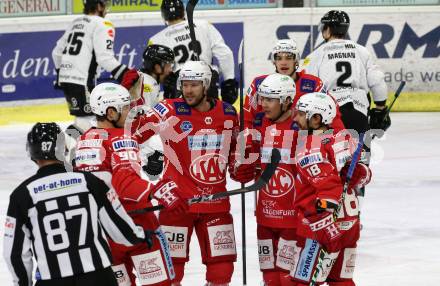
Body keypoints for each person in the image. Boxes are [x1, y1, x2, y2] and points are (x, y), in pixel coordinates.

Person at [131, 61, 239, 286]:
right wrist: (134, 101)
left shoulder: (229, 114)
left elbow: (234, 158)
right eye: (184, 85)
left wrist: (242, 168)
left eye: (194, 85)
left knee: (222, 272)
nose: (188, 90)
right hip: (177, 204)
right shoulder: (168, 109)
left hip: (215, 204)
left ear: (207, 85)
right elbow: (131, 135)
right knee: (171, 273)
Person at [3, 122, 150, 286]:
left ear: (32, 153)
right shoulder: (90, 182)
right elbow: (119, 229)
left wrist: (23, 283)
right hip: (99, 278)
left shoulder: (22, 195)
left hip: (53, 281)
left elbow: (14, 253)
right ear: (64, 149)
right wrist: (140, 235)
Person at [74, 83, 187, 286]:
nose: (130, 113)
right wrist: (157, 190)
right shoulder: (122, 138)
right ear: (110, 112)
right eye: (125, 108)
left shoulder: (84, 140)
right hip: (137, 225)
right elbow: (125, 184)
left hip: (104, 232)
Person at [288, 92, 372, 286]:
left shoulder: (309, 147)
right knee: (341, 281)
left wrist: (325, 226)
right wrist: (361, 172)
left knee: (302, 282)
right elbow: (364, 175)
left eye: (301, 113)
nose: (296, 117)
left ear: (316, 118)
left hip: (323, 223)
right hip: (350, 222)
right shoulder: (344, 138)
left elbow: (328, 187)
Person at [232, 74, 300, 286]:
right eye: (262, 99)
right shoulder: (259, 127)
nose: (263, 104)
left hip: (292, 218)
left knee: (287, 277)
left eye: (270, 99)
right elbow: (243, 169)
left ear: (286, 100)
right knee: (269, 276)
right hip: (265, 216)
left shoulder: (300, 128)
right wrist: (242, 168)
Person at [52, 0, 139, 141]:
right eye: (104, 4)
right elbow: (104, 58)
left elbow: (56, 53)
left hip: (66, 78)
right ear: (99, 6)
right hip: (82, 80)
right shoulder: (102, 24)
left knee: (82, 119)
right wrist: (127, 75)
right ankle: (69, 152)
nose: (106, 9)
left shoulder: (76, 22)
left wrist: (59, 75)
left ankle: (67, 151)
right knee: (91, 121)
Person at [300, 10, 390, 138]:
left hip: (331, 112)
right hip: (359, 110)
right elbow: (377, 81)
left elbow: (306, 89)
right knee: (361, 155)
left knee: (333, 154)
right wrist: (380, 110)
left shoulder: (315, 56)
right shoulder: (362, 51)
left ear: (328, 30)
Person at [148, 0, 237, 104]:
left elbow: (153, 74)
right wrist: (229, 82)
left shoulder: (156, 39)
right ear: (183, 12)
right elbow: (225, 54)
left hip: (179, 84)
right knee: (212, 117)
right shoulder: (204, 25)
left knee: (181, 119)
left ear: (163, 15)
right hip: (207, 78)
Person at [243, 39, 328, 130]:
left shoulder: (314, 84)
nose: (283, 62)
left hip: (302, 142)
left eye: (288, 58)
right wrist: (248, 144)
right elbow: (246, 120)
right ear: (274, 61)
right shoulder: (259, 84)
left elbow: (331, 120)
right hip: (266, 141)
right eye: (279, 58)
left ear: (296, 60)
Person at [130, 44, 175, 179]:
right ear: (157, 67)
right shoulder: (147, 84)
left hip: (135, 135)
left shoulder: (147, 80)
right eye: (168, 65)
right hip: (136, 139)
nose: (170, 70)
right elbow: (145, 122)